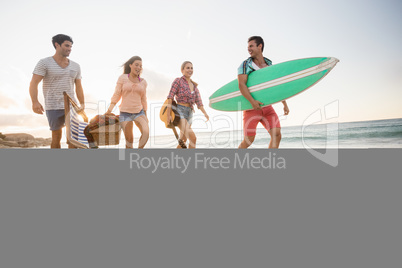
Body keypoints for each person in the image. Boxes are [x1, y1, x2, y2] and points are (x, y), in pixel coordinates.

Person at [29, 34, 85, 148]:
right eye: (67, 45)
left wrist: (82, 103)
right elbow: (34, 83)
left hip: (71, 106)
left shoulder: (76, 66)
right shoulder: (44, 63)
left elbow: (79, 86)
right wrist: (34, 101)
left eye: (71, 46)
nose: (69, 49)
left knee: (73, 139)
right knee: (56, 137)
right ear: (57, 45)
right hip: (52, 105)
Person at [238, 36, 289, 149]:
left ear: (259, 46)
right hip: (252, 108)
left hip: (267, 107)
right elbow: (241, 85)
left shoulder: (269, 64)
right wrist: (252, 102)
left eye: (251, 46)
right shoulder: (246, 65)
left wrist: (284, 104)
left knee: (277, 135)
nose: (248, 49)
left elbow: (275, 85)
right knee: (248, 140)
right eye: (248, 47)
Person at [106, 56, 149, 149]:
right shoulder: (122, 78)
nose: (138, 67)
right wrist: (109, 110)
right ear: (130, 65)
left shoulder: (143, 82)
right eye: (136, 65)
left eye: (140, 66)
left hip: (139, 112)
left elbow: (144, 99)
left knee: (146, 133)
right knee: (129, 140)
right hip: (125, 113)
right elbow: (117, 95)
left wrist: (145, 114)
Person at [166, 61, 209, 148]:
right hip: (179, 112)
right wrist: (168, 114)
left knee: (183, 141)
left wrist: (205, 114)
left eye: (191, 68)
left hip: (190, 114)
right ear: (182, 70)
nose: (190, 70)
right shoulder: (178, 81)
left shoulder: (194, 86)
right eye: (188, 68)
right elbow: (170, 97)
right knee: (193, 138)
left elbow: (199, 103)